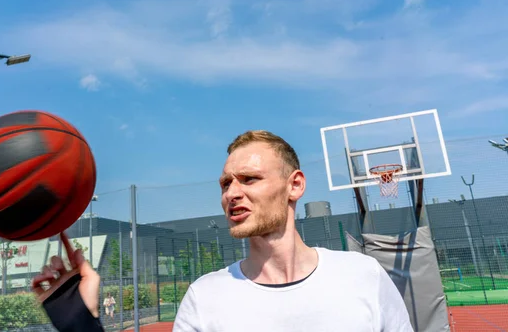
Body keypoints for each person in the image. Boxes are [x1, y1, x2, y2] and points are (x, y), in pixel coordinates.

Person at [32, 130, 413, 331]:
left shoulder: (361, 276)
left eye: (249, 178)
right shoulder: (206, 297)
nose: (232, 193)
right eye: (225, 183)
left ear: (295, 185)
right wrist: (82, 323)